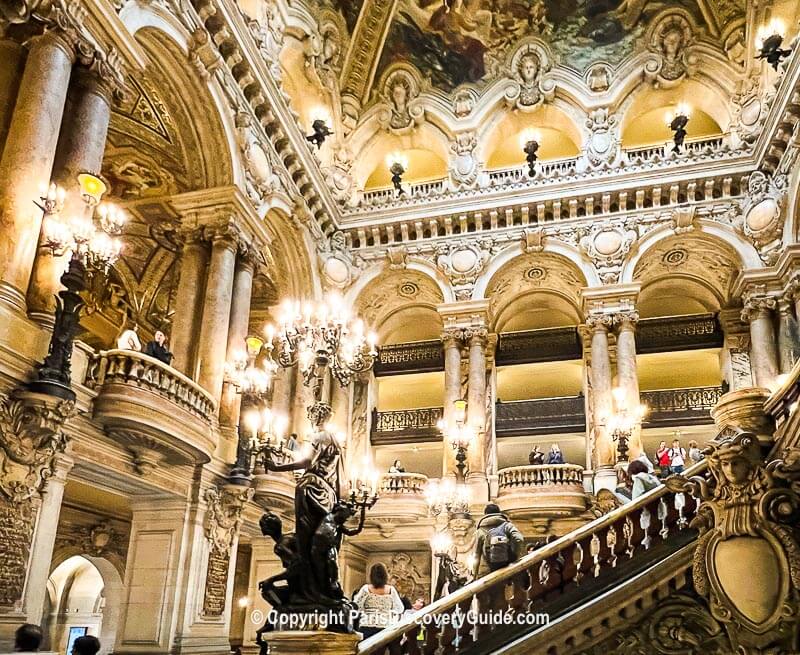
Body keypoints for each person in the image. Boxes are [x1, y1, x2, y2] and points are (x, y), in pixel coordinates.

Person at [471, 503, 524, 577]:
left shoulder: (480, 530)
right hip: (507, 568)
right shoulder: (507, 526)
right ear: (499, 513)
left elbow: (476, 555)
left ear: (485, 514)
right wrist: (515, 557)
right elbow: (519, 539)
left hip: (487, 572)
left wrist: (474, 574)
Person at [353, 563, 404, 639]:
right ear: (385, 575)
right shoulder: (391, 590)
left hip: (367, 626)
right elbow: (400, 609)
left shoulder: (366, 589)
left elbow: (356, 606)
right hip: (386, 627)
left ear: (371, 575)